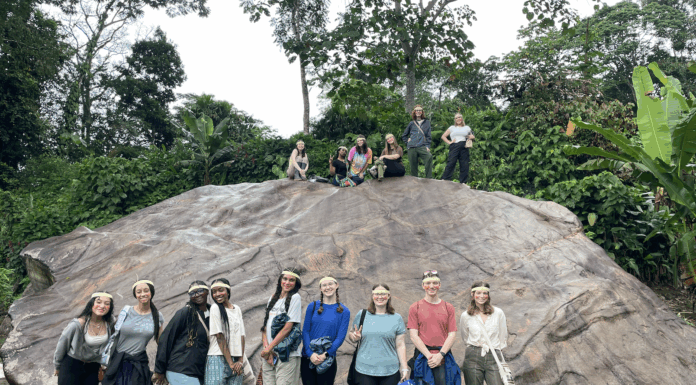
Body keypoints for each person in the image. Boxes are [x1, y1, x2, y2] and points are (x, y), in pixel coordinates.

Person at [102, 279, 165, 385]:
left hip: (138, 364)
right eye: (139, 292)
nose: (142, 294)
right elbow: (113, 335)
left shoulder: (157, 317)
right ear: (135, 295)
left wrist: (162, 368)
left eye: (146, 290)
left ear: (151, 292)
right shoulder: (126, 311)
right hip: (117, 362)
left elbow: (162, 343)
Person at [348, 284, 409, 385]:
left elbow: (400, 345)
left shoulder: (396, 318)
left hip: (390, 371)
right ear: (372, 296)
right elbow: (351, 334)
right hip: (364, 370)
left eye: (383, 294)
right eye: (377, 294)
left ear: (389, 296)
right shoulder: (362, 314)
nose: (380, 297)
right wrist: (354, 337)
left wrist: (405, 368)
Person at [153, 281, 210, 385]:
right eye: (192, 293)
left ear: (207, 292)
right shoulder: (185, 313)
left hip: (199, 373)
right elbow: (166, 338)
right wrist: (159, 370)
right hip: (180, 370)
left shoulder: (213, 314)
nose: (196, 295)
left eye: (200, 291)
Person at [407, 271, 460, 385]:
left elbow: (452, 334)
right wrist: (429, 356)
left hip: (443, 356)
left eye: (435, 283)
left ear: (439, 285)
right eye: (428, 283)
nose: (431, 286)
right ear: (423, 286)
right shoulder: (415, 307)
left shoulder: (448, 307)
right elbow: (413, 335)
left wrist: (440, 355)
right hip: (422, 356)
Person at [54, 291, 115, 385]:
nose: (102, 306)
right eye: (98, 302)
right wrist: (57, 366)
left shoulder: (110, 322)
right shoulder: (77, 325)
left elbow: (112, 342)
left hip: (94, 367)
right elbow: (62, 345)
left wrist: (105, 364)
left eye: (107, 304)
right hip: (72, 364)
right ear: (92, 303)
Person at [301, 276, 351, 385]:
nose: (327, 287)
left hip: (327, 360)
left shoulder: (344, 311)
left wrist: (325, 355)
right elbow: (305, 331)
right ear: (320, 288)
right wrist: (310, 354)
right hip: (308, 358)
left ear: (336, 285)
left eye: (330, 284)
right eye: (324, 285)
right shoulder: (313, 306)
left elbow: (340, 338)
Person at [459, 282, 508, 385]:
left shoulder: (498, 313)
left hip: (493, 354)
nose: (481, 296)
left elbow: (503, 335)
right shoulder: (466, 315)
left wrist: (496, 349)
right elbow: (465, 336)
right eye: (478, 293)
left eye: (485, 293)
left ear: (488, 295)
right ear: (472, 294)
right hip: (473, 355)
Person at [260, 269, 303, 385]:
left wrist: (269, 348)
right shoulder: (273, 298)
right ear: (280, 280)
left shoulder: (295, 298)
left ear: (296, 283)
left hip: (287, 355)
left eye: (291, 280)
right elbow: (265, 327)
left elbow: (287, 328)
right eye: (285, 279)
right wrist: (266, 349)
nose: (287, 282)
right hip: (269, 355)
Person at [205, 278, 246, 385]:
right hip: (217, 358)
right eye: (214, 292)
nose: (217, 294)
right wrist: (231, 364)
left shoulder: (236, 309)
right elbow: (219, 336)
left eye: (220, 290)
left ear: (228, 291)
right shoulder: (215, 308)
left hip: (235, 359)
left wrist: (240, 361)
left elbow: (242, 335)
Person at [441, 113, 475, 184]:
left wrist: (471, 137)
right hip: (454, 146)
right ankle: (444, 181)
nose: (458, 119)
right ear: (455, 120)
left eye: (459, 117)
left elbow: (472, 137)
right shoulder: (452, 127)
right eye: (456, 118)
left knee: (464, 165)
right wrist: (449, 142)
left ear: (462, 118)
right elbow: (443, 136)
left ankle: (463, 183)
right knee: (451, 163)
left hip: (464, 146)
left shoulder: (467, 128)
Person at [401, 105, 433, 178]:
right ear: (414, 112)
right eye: (416, 110)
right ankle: (414, 182)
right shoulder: (411, 123)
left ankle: (429, 179)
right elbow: (404, 135)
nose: (418, 112)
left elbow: (428, 136)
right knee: (413, 166)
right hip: (412, 147)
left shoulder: (427, 122)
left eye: (419, 110)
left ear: (422, 112)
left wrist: (428, 146)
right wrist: (407, 141)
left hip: (422, 146)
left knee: (429, 157)